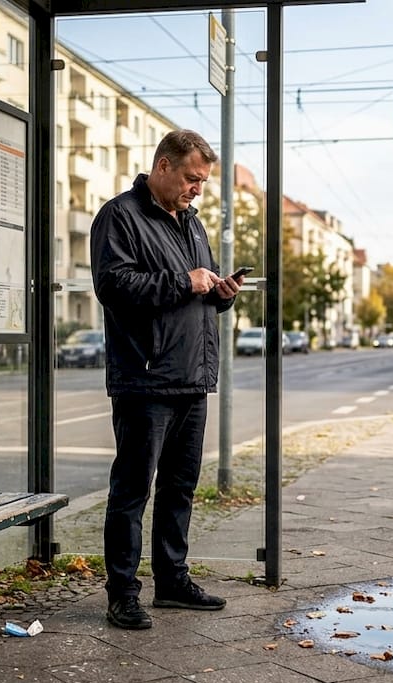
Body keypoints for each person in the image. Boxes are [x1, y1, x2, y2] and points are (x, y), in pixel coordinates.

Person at [90, 129, 244, 630]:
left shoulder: (191, 224)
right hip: (146, 379)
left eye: (202, 181)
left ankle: (172, 581)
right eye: (191, 178)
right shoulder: (120, 216)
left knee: (180, 487)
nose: (197, 188)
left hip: (192, 378)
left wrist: (221, 291)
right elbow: (113, 286)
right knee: (133, 490)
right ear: (163, 166)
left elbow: (202, 285)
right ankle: (122, 593)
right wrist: (185, 281)